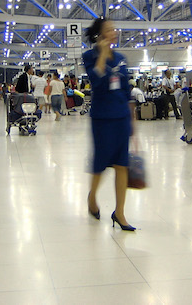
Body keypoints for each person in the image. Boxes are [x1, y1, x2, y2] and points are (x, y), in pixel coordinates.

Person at [83, 18, 136, 231]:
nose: (114, 32)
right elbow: (95, 83)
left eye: (114, 29)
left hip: (121, 117)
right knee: (100, 164)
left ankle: (120, 212)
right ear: (100, 34)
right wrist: (103, 56)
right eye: (109, 29)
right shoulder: (90, 56)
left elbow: (126, 90)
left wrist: (133, 120)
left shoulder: (122, 58)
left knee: (122, 164)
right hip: (102, 119)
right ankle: (92, 198)